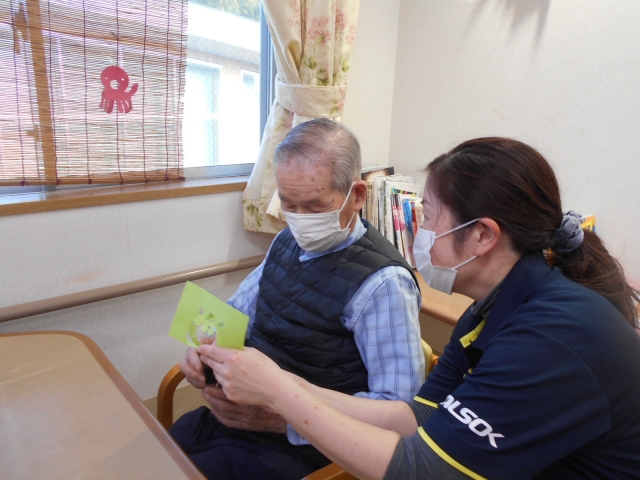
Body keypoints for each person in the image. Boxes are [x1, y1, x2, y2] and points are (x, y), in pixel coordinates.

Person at [199, 137, 640, 480]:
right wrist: (281, 384)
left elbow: (423, 469)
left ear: (482, 235)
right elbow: (417, 416)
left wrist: (279, 393)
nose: (419, 234)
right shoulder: (485, 313)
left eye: (427, 218)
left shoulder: (554, 336)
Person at [170, 118, 425, 480]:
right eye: (289, 204)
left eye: (314, 206)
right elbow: (235, 312)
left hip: (304, 445)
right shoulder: (287, 240)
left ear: (357, 196)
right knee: (155, 453)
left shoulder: (384, 284)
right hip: (237, 416)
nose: (299, 220)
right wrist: (201, 348)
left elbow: (398, 411)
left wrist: (283, 421)